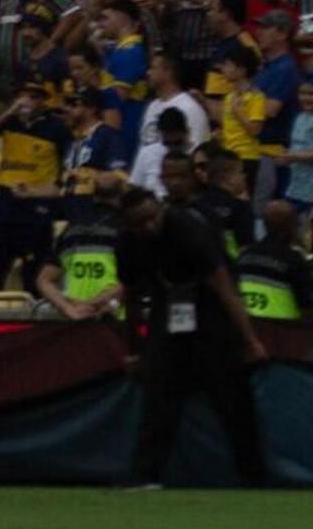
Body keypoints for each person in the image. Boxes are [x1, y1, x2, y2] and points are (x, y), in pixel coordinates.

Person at [110, 179, 269, 488]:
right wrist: (134, 350)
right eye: (140, 223)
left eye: (153, 217)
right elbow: (131, 298)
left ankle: (253, 476)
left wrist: (250, 340)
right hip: (166, 307)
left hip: (208, 309)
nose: (150, 226)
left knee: (231, 395)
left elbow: (224, 287)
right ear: (128, 226)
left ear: (160, 208)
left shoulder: (187, 229)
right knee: (158, 394)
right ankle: (146, 476)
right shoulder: (127, 244)